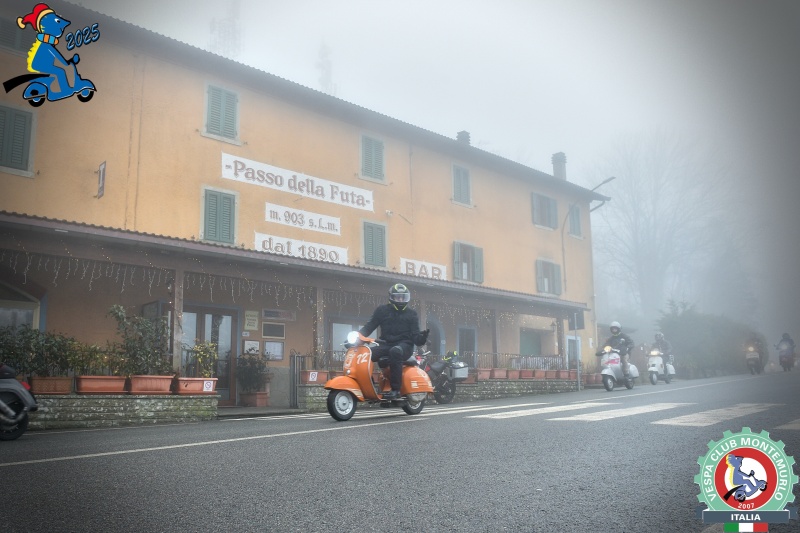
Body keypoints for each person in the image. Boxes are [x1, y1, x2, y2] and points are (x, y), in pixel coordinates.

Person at [359, 283, 429, 400]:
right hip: (386, 344)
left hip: (405, 345)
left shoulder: (412, 314)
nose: (400, 300)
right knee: (366, 353)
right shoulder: (382, 311)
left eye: (403, 297)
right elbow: (369, 326)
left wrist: (422, 338)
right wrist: (358, 336)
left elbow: (416, 337)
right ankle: (367, 384)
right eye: (398, 297)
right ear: (391, 297)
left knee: (395, 351)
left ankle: (396, 390)